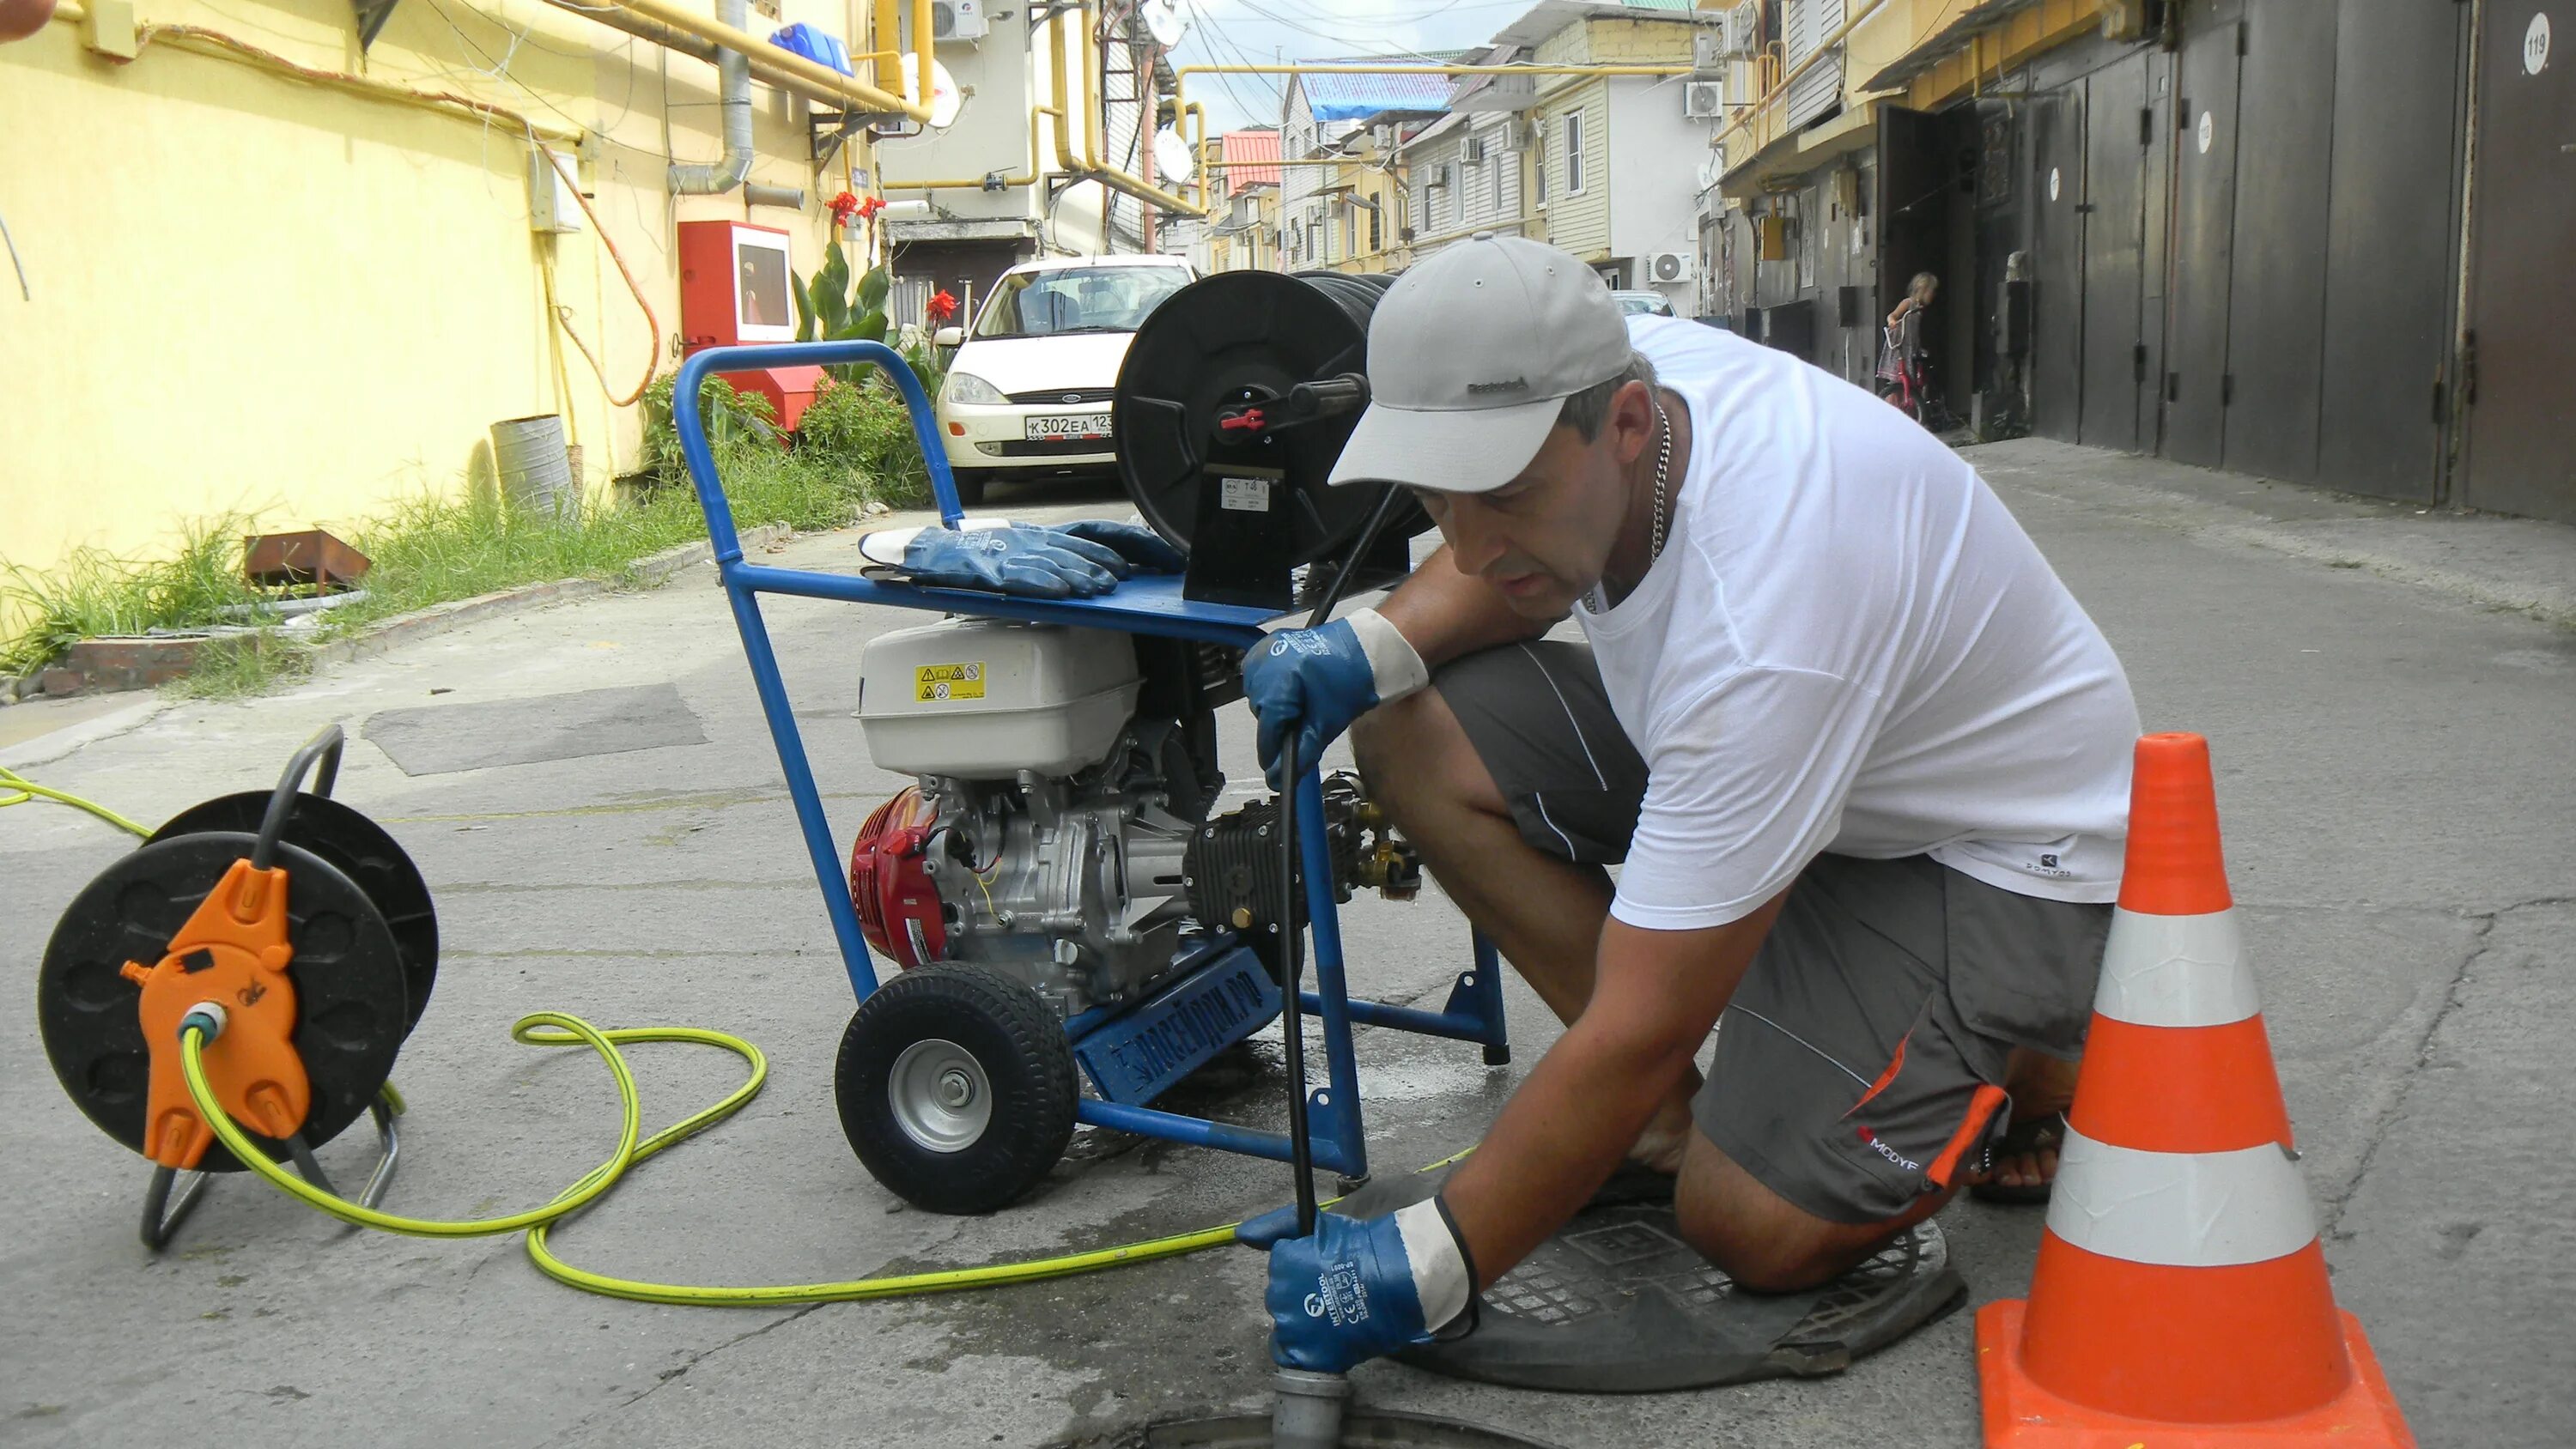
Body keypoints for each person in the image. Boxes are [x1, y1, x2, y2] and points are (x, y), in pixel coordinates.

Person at [1238, 236, 2140, 1374]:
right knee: (1409, 720)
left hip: (1993, 844)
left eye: (1506, 495)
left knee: (1753, 1228)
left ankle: (2040, 1045)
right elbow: (1492, 572)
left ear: (1623, 425)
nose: (1465, 546)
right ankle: (1659, 1126)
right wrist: (1362, 646)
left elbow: (1643, 1017)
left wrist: (1423, 1269)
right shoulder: (1593, 371)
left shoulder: (1766, 622)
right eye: (1436, 499)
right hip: (1821, 763)